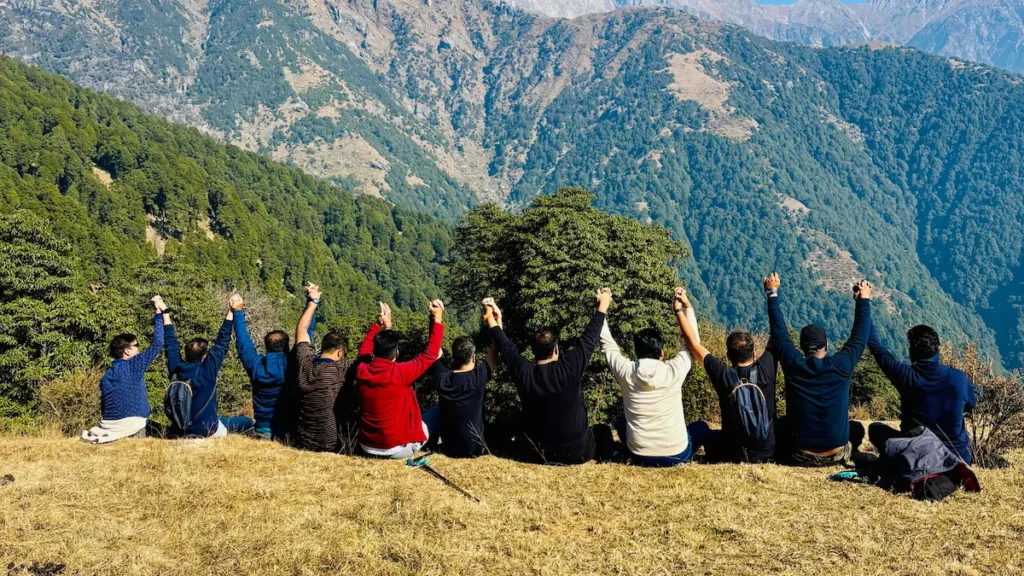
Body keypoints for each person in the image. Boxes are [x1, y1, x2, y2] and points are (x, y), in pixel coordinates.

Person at [486, 289, 612, 465]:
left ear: (533, 351)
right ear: (556, 349)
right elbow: (590, 337)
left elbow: (505, 347)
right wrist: (603, 303)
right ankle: (607, 458)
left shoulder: (524, 371)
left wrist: (492, 319)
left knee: (509, 422)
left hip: (536, 452)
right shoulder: (570, 366)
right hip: (577, 452)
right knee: (603, 430)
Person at [766, 272, 871, 466]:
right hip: (837, 453)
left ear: (802, 347)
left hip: (799, 454)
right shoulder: (841, 365)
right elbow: (859, 337)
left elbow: (779, 333)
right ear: (827, 346)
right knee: (856, 428)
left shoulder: (794, 365)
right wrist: (863, 300)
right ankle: (850, 454)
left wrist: (772, 293)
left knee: (780, 423)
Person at [599, 287, 706, 466]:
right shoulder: (674, 371)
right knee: (701, 428)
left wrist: (601, 307)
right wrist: (686, 307)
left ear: (637, 353)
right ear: (661, 352)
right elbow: (693, 344)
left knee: (620, 421)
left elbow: (607, 345)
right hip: (677, 454)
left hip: (639, 454)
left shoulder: (627, 372)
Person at [676, 288, 778, 463]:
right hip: (767, 452)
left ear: (728, 356)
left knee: (703, 429)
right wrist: (772, 293)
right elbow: (778, 333)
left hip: (731, 453)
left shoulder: (722, 374)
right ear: (754, 353)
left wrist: (681, 309)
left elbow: (693, 344)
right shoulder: (767, 367)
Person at [866, 323, 976, 463]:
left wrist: (863, 302)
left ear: (911, 351)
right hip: (959, 457)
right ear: (937, 348)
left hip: (918, 456)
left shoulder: (906, 376)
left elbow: (875, 345)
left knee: (876, 429)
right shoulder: (959, 378)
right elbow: (971, 406)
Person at [356, 300, 445, 459]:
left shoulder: (362, 370)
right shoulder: (401, 373)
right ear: (396, 355)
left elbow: (364, 350)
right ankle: (435, 446)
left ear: (374, 351)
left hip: (367, 446)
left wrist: (380, 325)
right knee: (439, 410)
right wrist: (437, 318)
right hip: (396, 448)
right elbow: (431, 353)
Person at [82, 296, 167, 443]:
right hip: (133, 426)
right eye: (136, 345)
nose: (139, 349)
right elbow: (158, 342)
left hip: (108, 425)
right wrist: (158, 313)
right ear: (127, 351)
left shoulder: (106, 375)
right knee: (172, 432)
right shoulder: (133, 365)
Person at [231, 293, 316, 440]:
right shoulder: (293, 364)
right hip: (291, 428)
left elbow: (243, 344)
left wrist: (238, 312)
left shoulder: (256, 366)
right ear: (287, 346)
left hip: (263, 430)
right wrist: (311, 304)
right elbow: (305, 334)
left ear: (266, 346)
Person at [164, 300, 248, 437]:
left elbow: (171, 344)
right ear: (205, 356)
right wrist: (231, 311)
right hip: (207, 430)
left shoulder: (176, 369)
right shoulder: (206, 372)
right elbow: (222, 342)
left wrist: (164, 313)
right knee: (246, 422)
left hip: (180, 429)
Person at [430, 299, 500, 458]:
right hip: (475, 448)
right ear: (473, 357)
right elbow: (497, 346)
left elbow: (433, 349)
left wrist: (436, 318)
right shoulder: (479, 377)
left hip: (448, 446)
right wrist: (494, 317)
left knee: (435, 409)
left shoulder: (443, 377)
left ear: (453, 357)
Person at [292, 284, 350, 452]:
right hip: (329, 440)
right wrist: (385, 327)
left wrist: (313, 302)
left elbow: (301, 329)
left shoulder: (305, 361)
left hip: (302, 437)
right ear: (340, 352)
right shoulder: (340, 369)